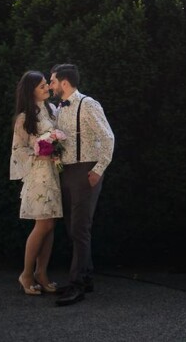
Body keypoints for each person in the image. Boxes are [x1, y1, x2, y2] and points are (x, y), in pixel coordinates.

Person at [49, 63, 115, 306]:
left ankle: (77, 285)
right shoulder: (59, 108)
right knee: (73, 227)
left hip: (86, 171)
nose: (50, 85)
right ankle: (85, 277)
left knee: (79, 228)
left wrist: (98, 169)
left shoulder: (88, 104)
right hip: (66, 171)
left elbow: (108, 137)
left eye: (53, 80)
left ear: (65, 82)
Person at [10, 71, 62, 296]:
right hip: (38, 175)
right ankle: (26, 274)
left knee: (50, 226)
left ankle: (42, 272)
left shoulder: (51, 110)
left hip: (54, 172)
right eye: (42, 86)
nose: (47, 88)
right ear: (30, 90)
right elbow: (18, 149)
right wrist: (38, 154)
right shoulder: (24, 117)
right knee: (42, 225)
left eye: (46, 85)